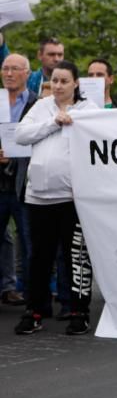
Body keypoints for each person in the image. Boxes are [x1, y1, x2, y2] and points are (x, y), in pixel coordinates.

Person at [14, 61, 100, 337]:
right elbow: (21, 135)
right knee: (39, 258)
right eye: (55, 81)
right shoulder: (41, 107)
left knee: (75, 257)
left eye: (65, 81)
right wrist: (53, 122)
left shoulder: (88, 111)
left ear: (76, 83)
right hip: (38, 197)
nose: (59, 86)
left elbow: (103, 140)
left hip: (72, 198)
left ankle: (79, 311)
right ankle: (35, 311)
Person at [0, 54, 35, 306]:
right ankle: (6, 287)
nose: (9, 73)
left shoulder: (37, 104)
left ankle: (33, 293)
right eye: (5, 68)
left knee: (28, 240)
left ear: (27, 73)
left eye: (14, 69)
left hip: (24, 182)